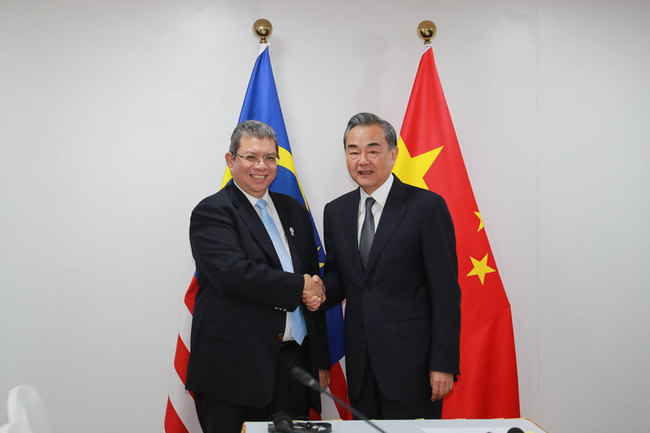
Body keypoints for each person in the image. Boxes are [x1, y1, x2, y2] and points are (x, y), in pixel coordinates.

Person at [186, 120, 330, 433]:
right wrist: (299, 286)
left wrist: (315, 296)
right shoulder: (213, 212)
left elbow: (311, 277)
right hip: (234, 371)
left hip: (292, 367)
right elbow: (234, 274)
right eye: (251, 157)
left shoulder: (293, 210)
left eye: (270, 157)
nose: (261, 166)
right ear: (230, 160)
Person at [321, 112, 461, 419]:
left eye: (373, 150)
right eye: (353, 152)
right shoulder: (336, 212)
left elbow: (446, 291)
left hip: (414, 369)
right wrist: (313, 290)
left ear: (393, 154)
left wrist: (443, 363)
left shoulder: (426, 207)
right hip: (360, 367)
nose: (363, 161)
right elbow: (339, 278)